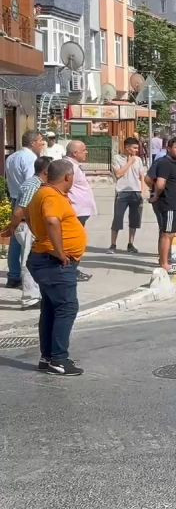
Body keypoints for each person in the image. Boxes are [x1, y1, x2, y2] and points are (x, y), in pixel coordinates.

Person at [27, 159, 87, 376]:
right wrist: (60, 252)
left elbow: (24, 214)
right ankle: (59, 360)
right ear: (67, 177)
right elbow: (52, 221)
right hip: (54, 262)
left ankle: (48, 357)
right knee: (66, 308)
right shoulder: (51, 195)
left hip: (46, 259)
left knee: (51, 308)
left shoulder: (42, 193)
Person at [1, 156, 53, 308]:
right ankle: (30, 298)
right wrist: (12, 228)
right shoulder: (33, 185)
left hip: (30, 226)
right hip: (27, 227)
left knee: (33, 261)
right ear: (45, 171)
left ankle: (36, 295)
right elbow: (20, 211)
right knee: (28, 262)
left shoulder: (37, 184)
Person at [6, 129, 45, 288]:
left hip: (15, 196)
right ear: (33, 142)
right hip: (27, 200)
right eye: (40, 141)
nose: (42, 144)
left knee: (15, 239)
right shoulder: (30, 158)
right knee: (27, 240)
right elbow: (32, 182)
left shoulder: (12, 156)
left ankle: (13, 275)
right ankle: (26, 278)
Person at [147, 137, 176, 274]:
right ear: (168, 148)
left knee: (169, 233)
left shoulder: (175, 163)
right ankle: (164, 264)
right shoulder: (165, 163)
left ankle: (166, 260)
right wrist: (155, 195)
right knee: (167, 234)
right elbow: (159, 182)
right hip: (168, 203)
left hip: (175, 204)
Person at [65, 140, 95, 281]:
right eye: (84, 150)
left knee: (78, 242)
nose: (86, 152)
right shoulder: (69, 166)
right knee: (75, 243)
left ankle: (73, 269)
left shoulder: (75, 166)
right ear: (75, 153)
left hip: (80, 211)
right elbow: (63, 187)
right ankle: (70, 270)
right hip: (75, 211)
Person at [109, 138, 145, 255]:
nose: (136, 150)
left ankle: (131, 243)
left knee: (134, 219)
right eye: (134, 148)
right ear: (127, 147)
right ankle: (113, 244)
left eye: (137, 148)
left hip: (136, 191)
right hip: (122, 192)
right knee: (118, 218)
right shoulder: (117, 158)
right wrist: (129, 162)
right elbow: (119, 174)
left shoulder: (139, 160)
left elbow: (141, 176)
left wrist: (143, 190)